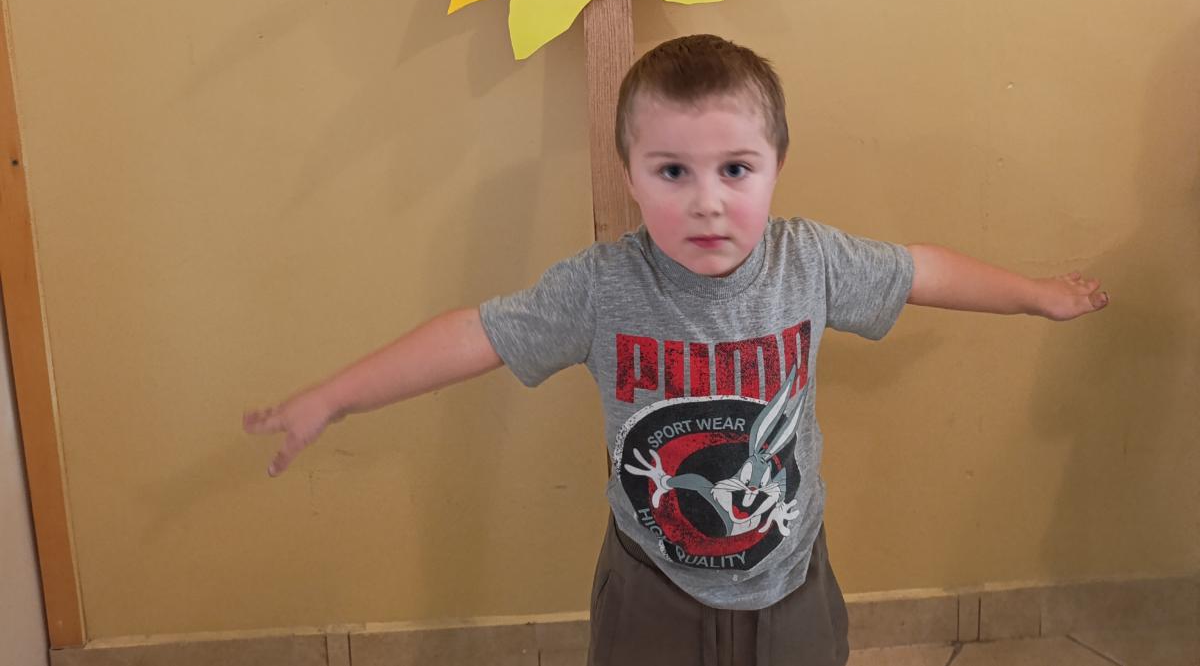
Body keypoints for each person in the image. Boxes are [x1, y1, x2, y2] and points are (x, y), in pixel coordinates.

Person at [244, 33, 1110, 666]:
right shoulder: (601, 286)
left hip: (791, 581)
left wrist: (1037, 294)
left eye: (735, 168)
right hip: (651, 588)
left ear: (776, 166)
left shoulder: (810, 261)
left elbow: (922, 270)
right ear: (629, 174)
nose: (707, 201)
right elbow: (476, 333)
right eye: (672, 171)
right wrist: (335, 396)